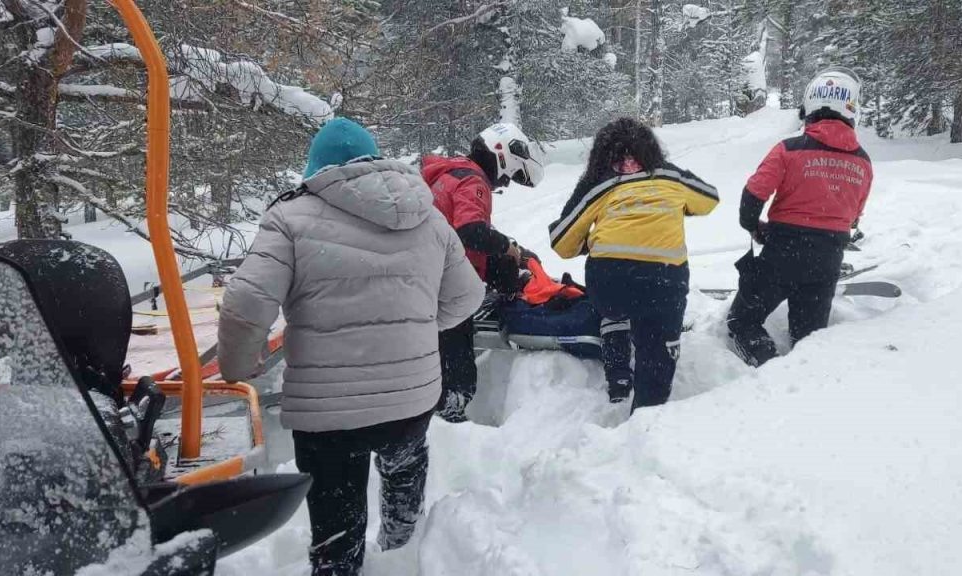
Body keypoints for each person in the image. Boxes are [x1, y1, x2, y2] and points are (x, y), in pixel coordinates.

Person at [218, 118, 484, 575]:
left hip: (328, 416)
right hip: (410, 400)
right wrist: (417, 330)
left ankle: (343, 564)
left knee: (337, 522)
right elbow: (467, 296)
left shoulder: (289, 217)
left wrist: (239, 366)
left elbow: (245, 302)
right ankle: (402, 552)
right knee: (404, 467)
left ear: (316, 167)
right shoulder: (426, 212)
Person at [548, 117, 718, 410]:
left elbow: (561, 241)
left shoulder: (598, 183)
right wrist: (678, 208)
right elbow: (710, 199)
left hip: (610, 279)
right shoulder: (670, 175)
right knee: (656, 352)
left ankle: (618, 378)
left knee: (613, 309)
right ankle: (648, 413)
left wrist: (589, 243)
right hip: (665, 280)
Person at [726, 66, 874, 367]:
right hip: (828, 258)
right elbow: (854, 217)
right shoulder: (863, 162)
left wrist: (755, 227)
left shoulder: (788, 149)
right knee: (809, 340)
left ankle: (767, 369)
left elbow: (753, 195)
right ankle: (802, 388)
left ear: (810, 105)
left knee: (742, 320)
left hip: (783, 253)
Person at [420, 123, 544, 422]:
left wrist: (507, 250)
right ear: (502, 153)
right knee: (456, 362)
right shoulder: (473, 180)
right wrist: (508, 249)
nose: (504, 184)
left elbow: (455, 230)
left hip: (425, 274)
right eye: (508, 176)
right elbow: (471, 232)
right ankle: (452, 420)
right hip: (445, 283)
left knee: (436, 354)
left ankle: (441, 408)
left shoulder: (449, 172)